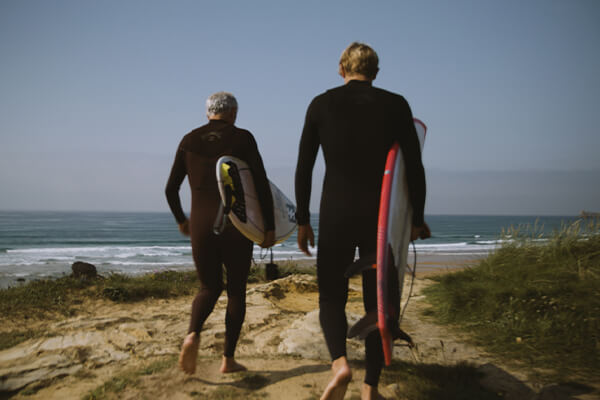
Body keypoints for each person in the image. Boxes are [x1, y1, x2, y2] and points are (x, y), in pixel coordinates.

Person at [294, 42, 431, 400]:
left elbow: (304, 167)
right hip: (380, 217)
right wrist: (415, 217)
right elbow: (413, 167)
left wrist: (303, 220)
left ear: (342, 69)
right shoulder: (396, 104)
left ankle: (340, 363)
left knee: (330, 296)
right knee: (378, 303)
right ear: (376, 72)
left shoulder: (320, 104)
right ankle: (371, 388)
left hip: (336, 212)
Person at [165, 91, 275, 375]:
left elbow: (170, 189)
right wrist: (269, 227)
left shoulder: (188, 140)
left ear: (207, 112)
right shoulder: (243, 138)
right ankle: (228, 359)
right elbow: (261, 184)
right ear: (233, 113)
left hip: (201, 224)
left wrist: (182, 220)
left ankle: (192, 335)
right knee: (236, 291)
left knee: (208, 288)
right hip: (236, 225)